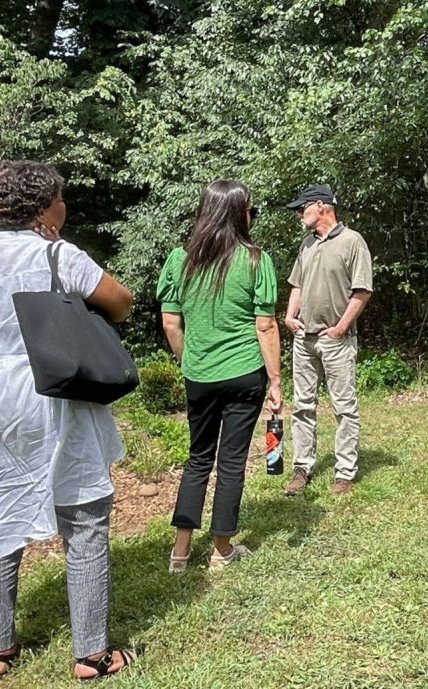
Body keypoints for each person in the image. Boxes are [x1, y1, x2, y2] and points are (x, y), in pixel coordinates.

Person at [0, 160, 138, 679]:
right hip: (45, 393)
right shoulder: (57, 254)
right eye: (60, 198)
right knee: (83, 515)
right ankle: (92, 653)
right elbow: (120, 302)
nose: (65, 207)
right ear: (41, 209)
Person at [157, 180, 282, 572]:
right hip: (245, 373)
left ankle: (179, 552)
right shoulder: (256, 259)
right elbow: (265, 326)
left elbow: (170, 321)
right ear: (238, 213)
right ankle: (221, 550)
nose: (252, 216)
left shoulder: (180, 259)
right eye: (250, 209)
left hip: (199, 374)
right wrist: (276, 381)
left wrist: (188, 360)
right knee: (231, 462)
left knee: (198, 458)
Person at [283, 185, 373, 496]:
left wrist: (339, 328)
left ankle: (344, 473)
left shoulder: (352, 242)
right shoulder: (307, 244)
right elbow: (297, 284)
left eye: (302, 208)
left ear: (321, 206)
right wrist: (289, 316)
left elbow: (362, 292)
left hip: (336, 341)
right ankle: (301, 468)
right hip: (303, 339)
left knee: (344, 407)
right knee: (302, 406)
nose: (298, 214)